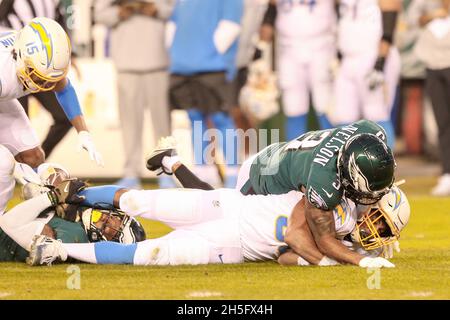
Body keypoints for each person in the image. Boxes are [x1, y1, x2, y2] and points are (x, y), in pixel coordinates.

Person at [147, 119, 397, 266]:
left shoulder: (371, 132)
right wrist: (362, 260)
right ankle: (172, 162)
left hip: (283, 156)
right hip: (262, 174)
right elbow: (322, 242)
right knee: (218, 208)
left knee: (218, 208)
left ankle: (172, 163)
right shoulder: (323, 181)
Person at [26, 183, 409, 267]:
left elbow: (285, 257)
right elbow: (295, 231)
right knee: (137, 200)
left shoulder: (348, 242)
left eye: (384, 228)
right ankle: (66, 189)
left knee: (150, 255)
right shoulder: (335, 195)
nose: (376, 229)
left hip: (235, 243)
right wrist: (339, 261)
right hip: (227, 203)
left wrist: (320, 260)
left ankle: (58, 250)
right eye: (379, 218)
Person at [0, 145, 145, 262]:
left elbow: (8, 223)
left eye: (112, 229)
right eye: (117, 218)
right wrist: (56, 184)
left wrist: (51, 197)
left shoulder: (75, 237)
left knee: (4, 159)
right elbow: (48, 169)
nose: (108, 219)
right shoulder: (83, 209)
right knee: (54, 176)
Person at [0, 17, 103, 168]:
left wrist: (83, 132)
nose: (46, 84)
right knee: (4, 165)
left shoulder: (35, 60)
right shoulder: (4, 73)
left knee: (34, 158)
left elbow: (64, 88)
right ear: (21, 58)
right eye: (40, 77)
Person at [94, 0, 174, 189]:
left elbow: (175, 10)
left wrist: (155, 9)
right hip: (126, 64)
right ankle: (131, 173)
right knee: (130, 124)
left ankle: (167, 171)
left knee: (162, 125)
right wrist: (119, 12)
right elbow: (99, 14)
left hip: (158, 62)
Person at [167, 0, 243, 188]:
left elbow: (231, 25)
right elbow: (173, 23)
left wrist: (209, 51)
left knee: (221, 118)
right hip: (182, 67)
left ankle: (234, 173)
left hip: (213, 68)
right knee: (195, 118)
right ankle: (203, 171)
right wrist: (177, 52)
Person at [0, 0, 74, 158]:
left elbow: (58, 26)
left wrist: (67, 56)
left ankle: (36, 166)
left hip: (43, 64)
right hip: (17, 65)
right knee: (9, 156)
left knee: (33, 155)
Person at [259, 0, 335, 140]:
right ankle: (295, 156)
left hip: (322, 46)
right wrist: (261, 49)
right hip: (288, 48)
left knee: (325, 104)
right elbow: (271, 10)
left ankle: (336, 154)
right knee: (293, 105)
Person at [332, 0, 402, 149]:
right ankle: (344, 167)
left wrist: (380, 62)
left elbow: (390, 19)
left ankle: (386, 168)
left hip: (374, 55)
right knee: (343, 115)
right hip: (348, 57)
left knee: (376, 113)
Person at [411, 0, 450, 196]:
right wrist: (433, 15)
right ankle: (447, 173)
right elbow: (415, 20)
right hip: (434, 66)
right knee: (442, 122)